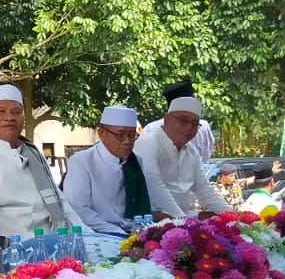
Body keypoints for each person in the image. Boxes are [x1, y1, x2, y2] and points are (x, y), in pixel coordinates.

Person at [0, 84, 82, 238]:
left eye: (16, 112)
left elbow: (60, 201)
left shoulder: (33, 152)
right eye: (1, 111)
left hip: (56, 236)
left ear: (23, 119)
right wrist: (38, 243)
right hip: (14, 244)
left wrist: (85, 234)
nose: (9, 117)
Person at [60, 106, 155, 236]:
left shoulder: (136, 161)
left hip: (133, 230)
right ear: (102, 134)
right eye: (121, 135)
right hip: (95, 233)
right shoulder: (82, 161)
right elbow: (78, 210)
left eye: (132, 135)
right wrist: (117, 233)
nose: (127, 141)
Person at [133, 92, 230, 220]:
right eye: (183, 120)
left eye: (195, 124)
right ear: (167, 120)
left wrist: (233, 216)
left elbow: (204, 189)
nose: (189, 127)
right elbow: (154, 186)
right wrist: (182, 221)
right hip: (150, 219)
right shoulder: (148, 143)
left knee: (217, 218)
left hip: (181, 217)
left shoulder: (191, 151)